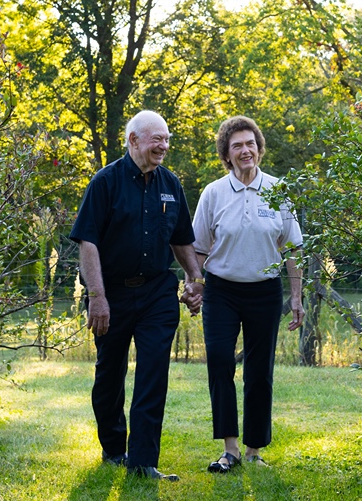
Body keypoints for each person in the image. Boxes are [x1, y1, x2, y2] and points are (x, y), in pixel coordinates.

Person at [69, 110, 204, 481]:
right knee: (109, 374)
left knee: (152, 373)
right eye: (156, 139)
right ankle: (114, 449)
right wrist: (96, 296)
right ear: (133, 141)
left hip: (157, 293)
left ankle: (143, 462)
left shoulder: (170, 184)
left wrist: (195, 277)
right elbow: (88, 242)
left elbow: (181, 238)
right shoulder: (105, 182)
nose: (163, 146)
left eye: (166, 139)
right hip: (110, 293)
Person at [187, 115, 304, 472]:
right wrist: (195, 285)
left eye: (250, 143)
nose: (244, 150)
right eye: (236, 145)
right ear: (226, 153)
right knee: (221, 362)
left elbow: (295, 248)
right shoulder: (213, 193)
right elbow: (198, 249)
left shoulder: (278, 190)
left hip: (265, 293)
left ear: (259, 149)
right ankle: (230, 449)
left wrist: (296, 297)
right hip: (221, 292)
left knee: (259, 372)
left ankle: (254, 450)